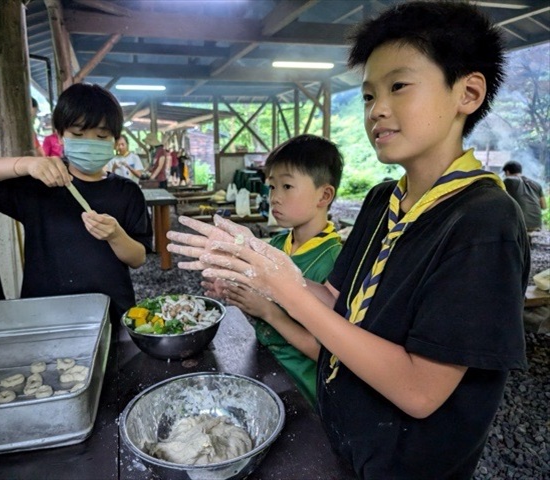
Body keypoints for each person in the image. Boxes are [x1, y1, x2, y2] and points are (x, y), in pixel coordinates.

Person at [166, 2, 529, 478]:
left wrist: (288, 290)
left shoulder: (485, 221)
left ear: (468, 92)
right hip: (347, 434)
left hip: (408, 462)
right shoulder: (384, 200)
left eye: (399, 86)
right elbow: (337, 302)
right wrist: (261, 267)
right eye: (367, 95)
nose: (377, 109)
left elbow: (420, 391)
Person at [0, 83, 152, 327]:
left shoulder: (128, 192)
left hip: (112, 317)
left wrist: (115, 235)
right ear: (60, 136)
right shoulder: (38, 185)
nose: (90, 142)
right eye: (78, 135)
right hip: (44, 318)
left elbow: (138, 258)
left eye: (101, 136)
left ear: (114, 140)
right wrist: (26, 165)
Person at [214, 134, 343, 405]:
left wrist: (268, 312)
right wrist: (235, 288)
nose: (275, 198)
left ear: (325, 194)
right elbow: (258, 294)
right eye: (272, 187)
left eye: (286, 186)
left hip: (303, 387)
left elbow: (326, 353)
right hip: (265, 362)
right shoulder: (276, 244)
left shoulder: (334, 261)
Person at [502, 160, 547, 232]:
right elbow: (544, 206)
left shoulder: (508, 181)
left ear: (507, 172)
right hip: (536, 225)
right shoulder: (536, 184)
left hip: (519, 226)